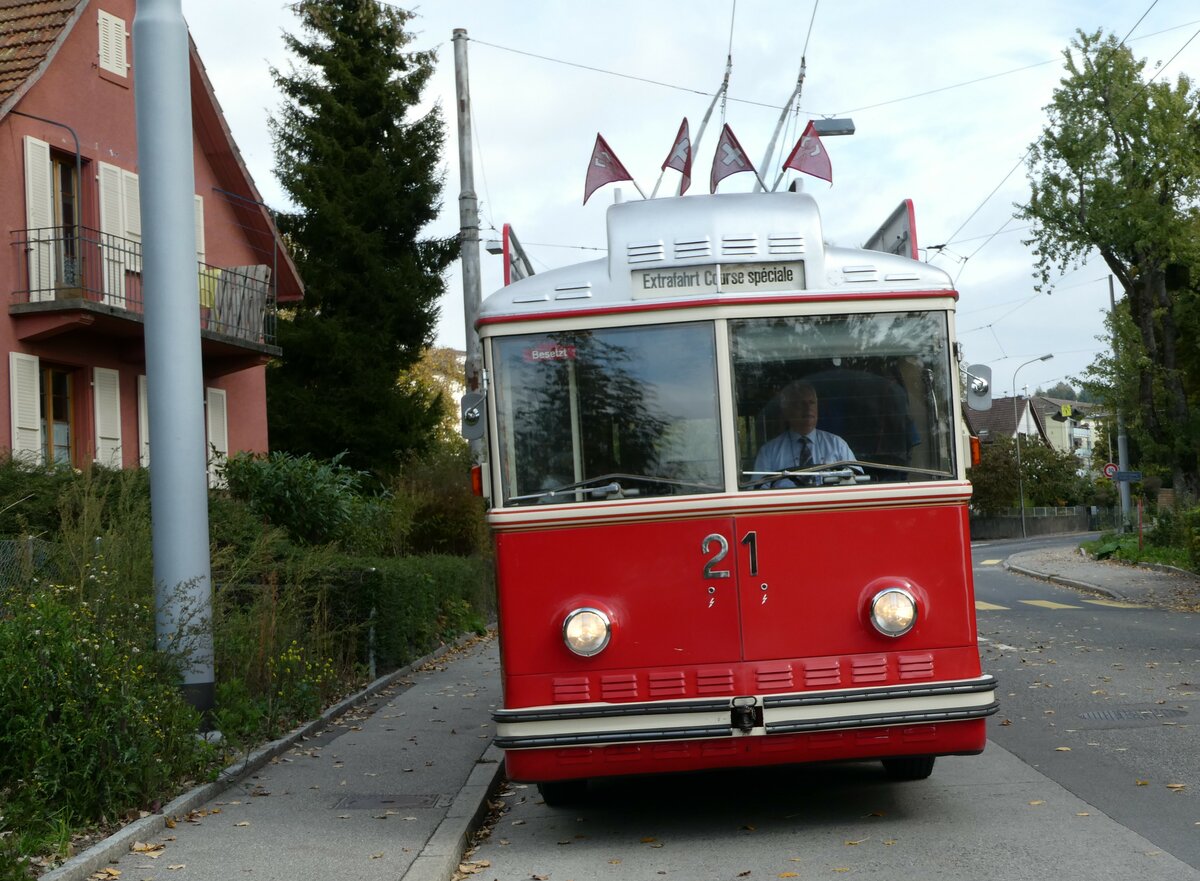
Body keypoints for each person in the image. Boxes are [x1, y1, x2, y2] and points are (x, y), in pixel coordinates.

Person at [752, 380, 855, 485]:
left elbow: (858, 483)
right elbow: (757, 493)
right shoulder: (769, 452)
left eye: (812, 403)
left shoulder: (838, 446)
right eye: (801, 404)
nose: (808, 408)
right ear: (787, 410)